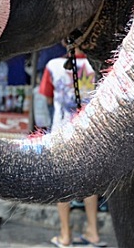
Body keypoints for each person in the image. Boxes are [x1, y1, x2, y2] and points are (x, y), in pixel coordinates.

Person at [39, 46, 107, 248]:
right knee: (90, 184)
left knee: (62, 185)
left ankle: (65, 235)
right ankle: (93, 233)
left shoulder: (53, 66)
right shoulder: (95, 66)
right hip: (89, 132)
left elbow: (48, 97)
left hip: (62, 133)